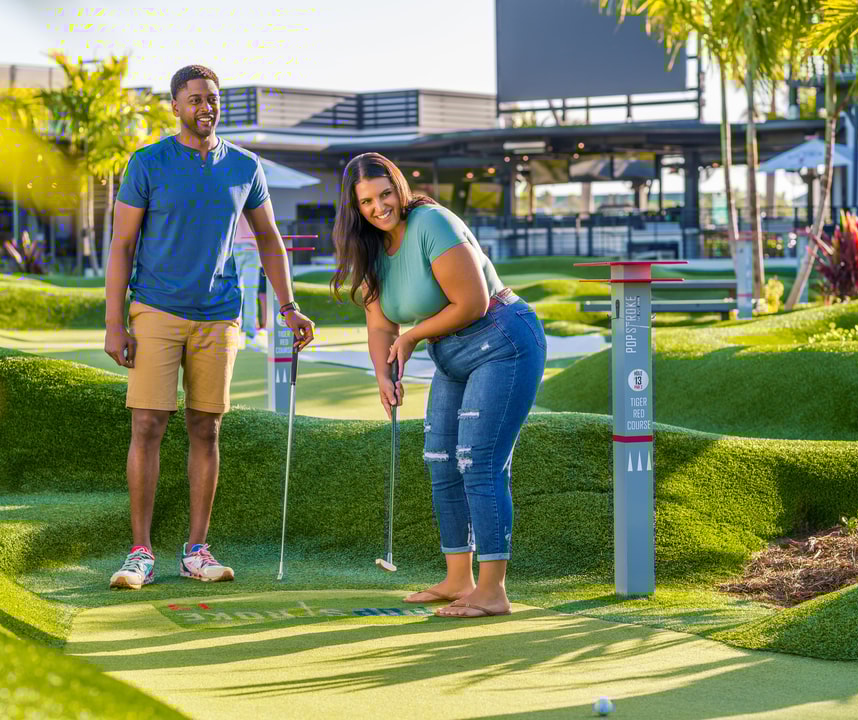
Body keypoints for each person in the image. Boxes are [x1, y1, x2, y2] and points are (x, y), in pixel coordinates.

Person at [103, 64, 315, 589]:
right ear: (175, 106)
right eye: (195, 98)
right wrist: (114, 323)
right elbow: (122, 244)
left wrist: (287, 307)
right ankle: (140, 552)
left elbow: (269, 240)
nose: (206, 106)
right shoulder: (147, 163)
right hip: (155, 307)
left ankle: (196, 549)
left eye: (213, 98)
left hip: (219, 313)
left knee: (207, 426)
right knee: (148, 424)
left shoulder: (245, 166)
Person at [331, 152, 546, 618]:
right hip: (451, 354)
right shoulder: (369, 250)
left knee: (480, 462)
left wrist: (412, 337)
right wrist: (383, 374)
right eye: (366, 200)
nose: (379, 207)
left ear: (399, 189)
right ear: (354, 206)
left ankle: (493, 592)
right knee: (442, 462)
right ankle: (457, 579)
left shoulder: (431, 222)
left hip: (503, 339)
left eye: (386, 194)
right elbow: (379, 324)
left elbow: (471, 302)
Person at [232, 214, 264, 349]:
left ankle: (234, 331)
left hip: (233, 246)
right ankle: (250, 335)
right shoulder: (253, 198)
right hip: (251, 247)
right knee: (250, 293)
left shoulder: (232, 195)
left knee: (236, 291)